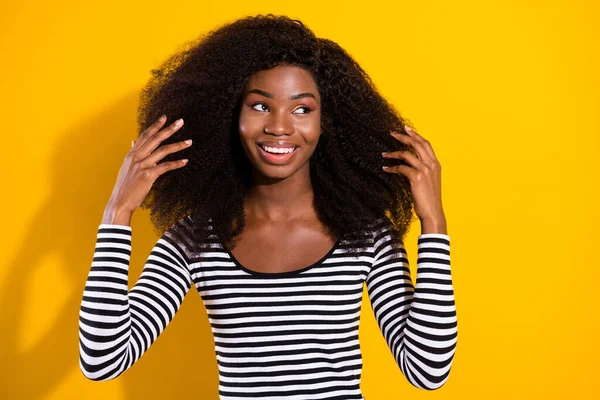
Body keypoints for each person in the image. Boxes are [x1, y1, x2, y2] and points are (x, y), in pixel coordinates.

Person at [78, 14, 457, 399]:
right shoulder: (195, 240)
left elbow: (427, 371)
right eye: (260, 106)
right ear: (230, 115)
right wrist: (117, 214)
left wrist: (433, 223)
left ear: (327, 122)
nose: (279, 127)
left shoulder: (366, 235)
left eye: (302, 109)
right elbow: (103, 360)